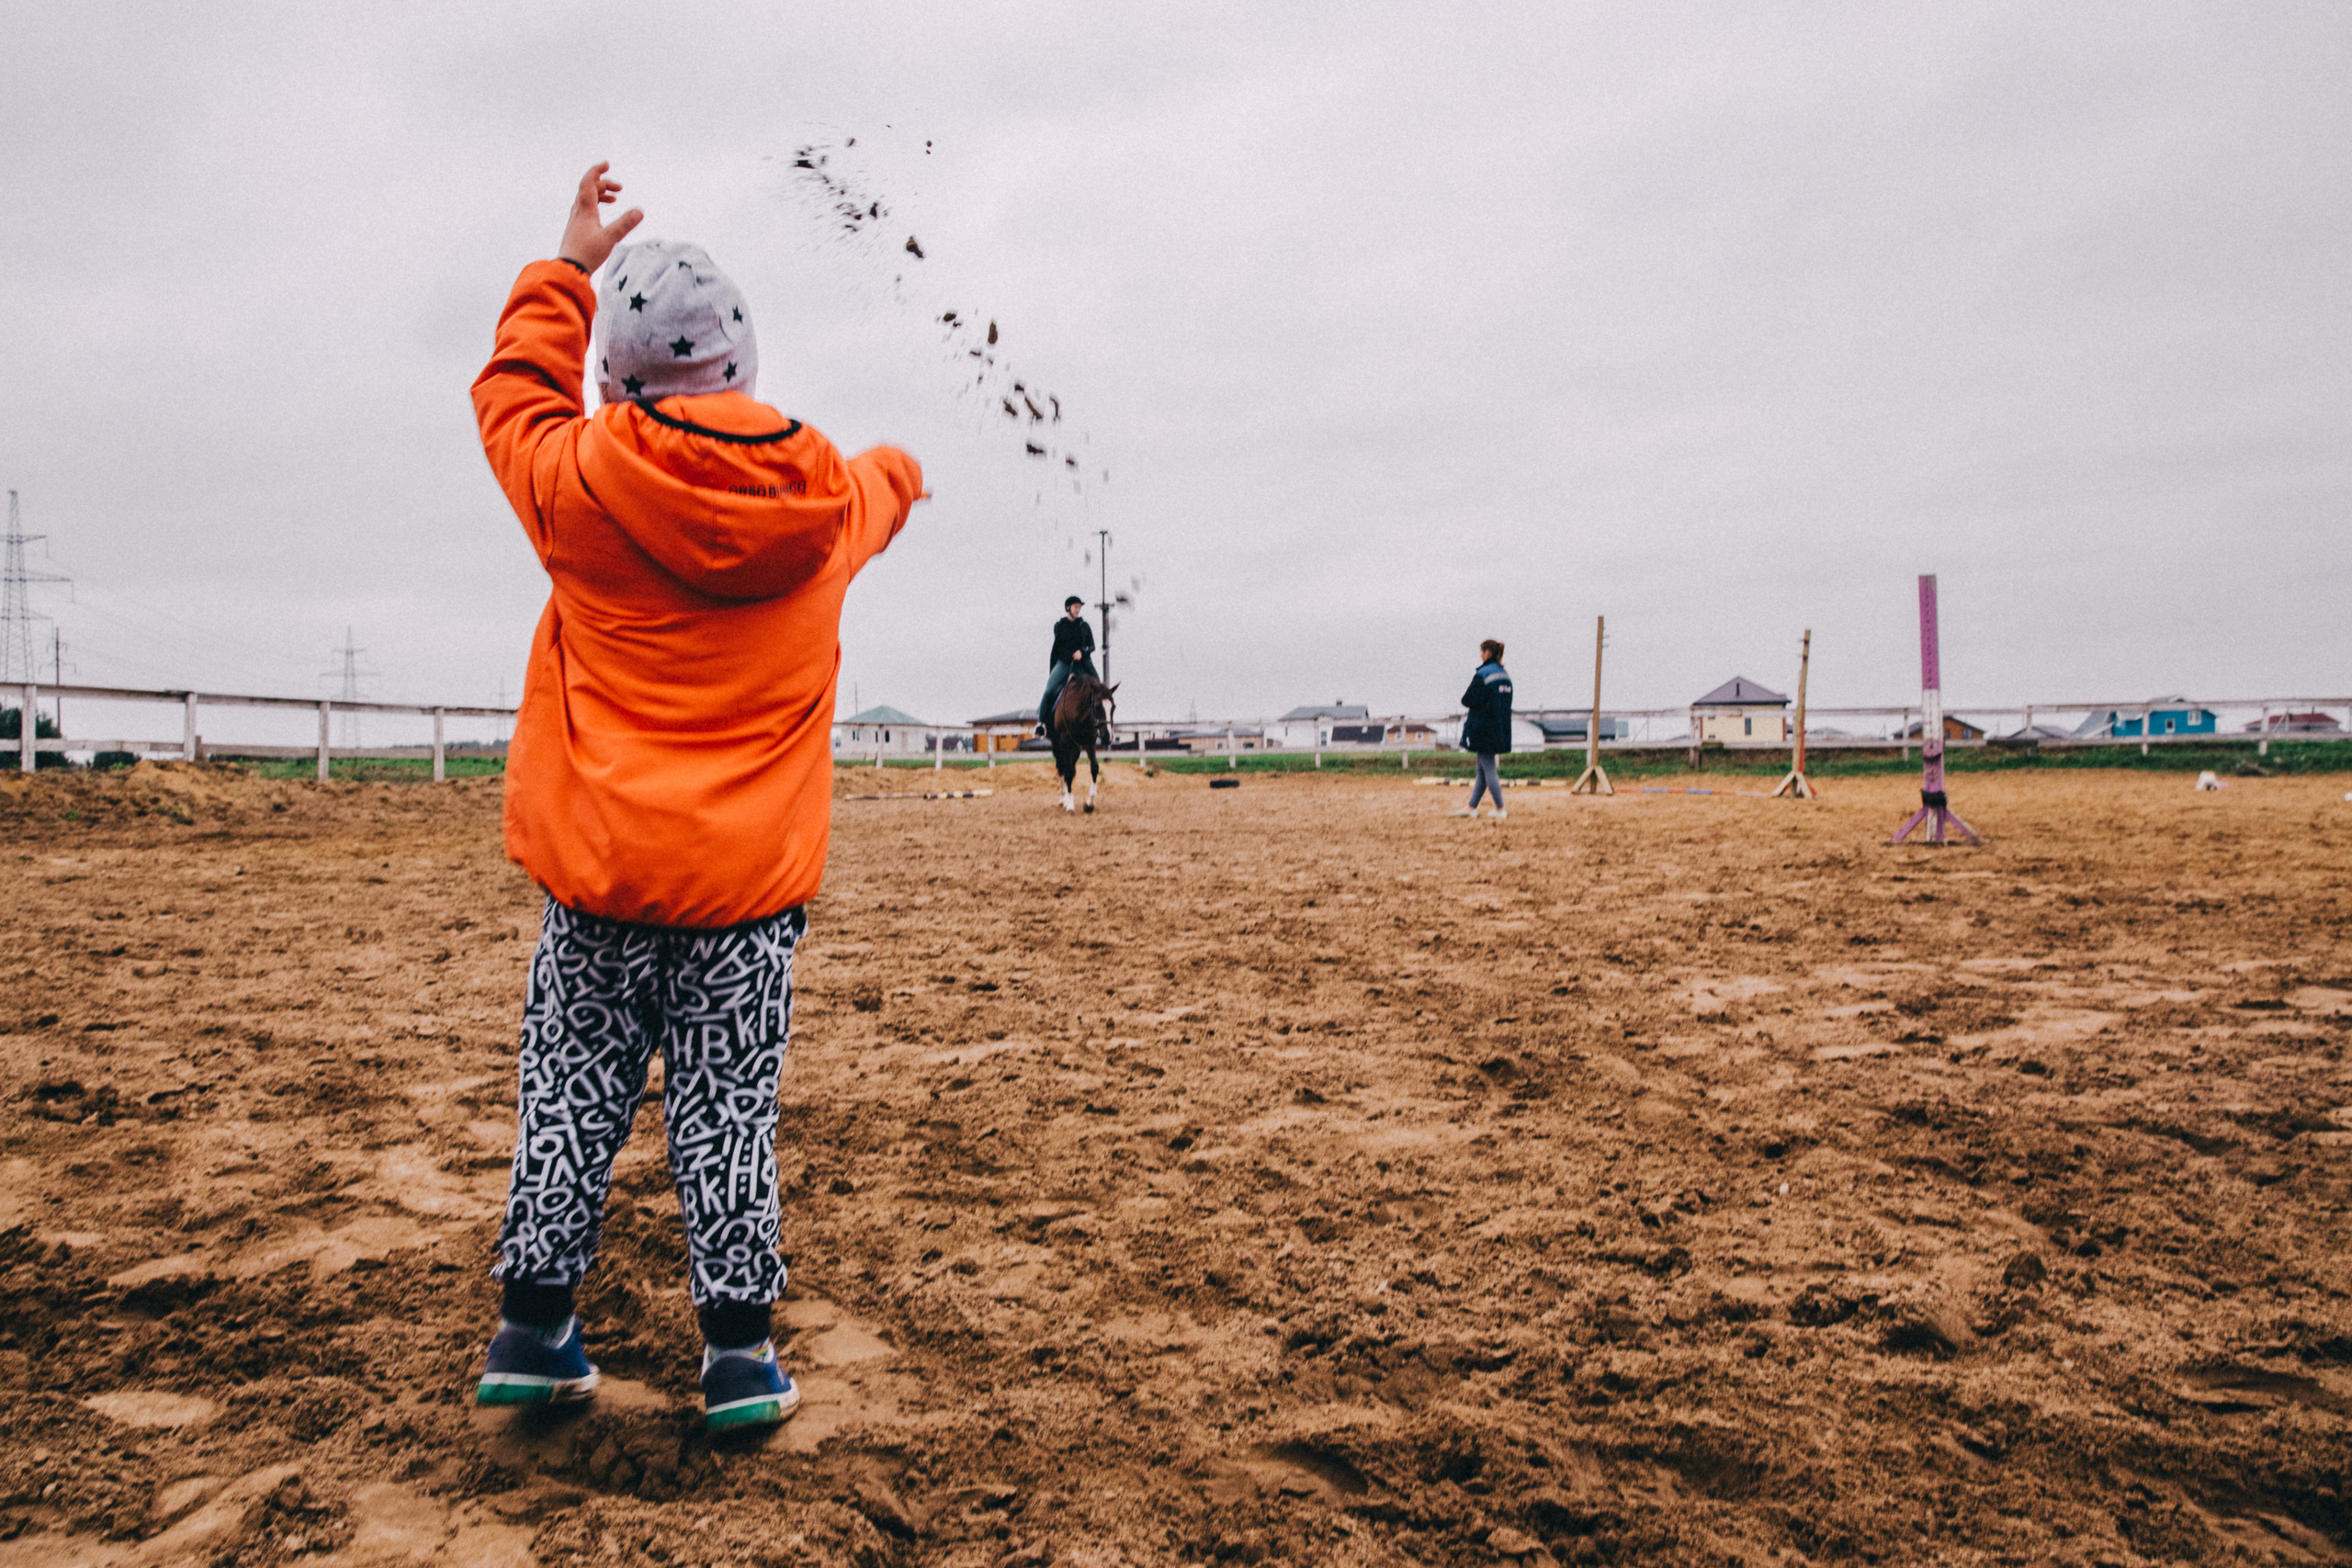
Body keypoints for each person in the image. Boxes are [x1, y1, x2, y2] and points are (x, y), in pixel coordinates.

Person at [468, 164, 923, 1432]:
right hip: (743, 905)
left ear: (612, 382)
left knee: (567, 1093)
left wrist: (564, 269)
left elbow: (510, 397)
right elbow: (883, 482)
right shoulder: (828, 507)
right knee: (727, 1116)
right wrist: (905, 465)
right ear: (747, 371)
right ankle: (734, 1353)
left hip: (601, 883)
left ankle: (535, 1324)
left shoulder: (573, 486)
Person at [1453, 638, 1514, 819]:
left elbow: (1467, 700)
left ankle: (1501, 809)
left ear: (1487, 652)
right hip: (1501, 727)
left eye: (1481, 651)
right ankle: (1471, 807)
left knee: (1488, 768)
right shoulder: (1505, 675)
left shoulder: (1483, 674)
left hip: (1484, 728)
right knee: (1482, 768)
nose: (1480, 655)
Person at [1038, 594, 1097, 736]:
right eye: (1076, 607)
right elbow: (1060, 646)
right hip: (1064, 663)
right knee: (1048, 691)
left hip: (1082, 664)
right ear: (1068, 608)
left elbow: (1092, 646)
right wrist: (1070, 655)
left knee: (1099, 687)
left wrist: (1082, 652)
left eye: (1079, 607)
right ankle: (1041, 724)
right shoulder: (1059, 626)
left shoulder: (1084, 626)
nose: (1078, 610)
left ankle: (1100, 723)